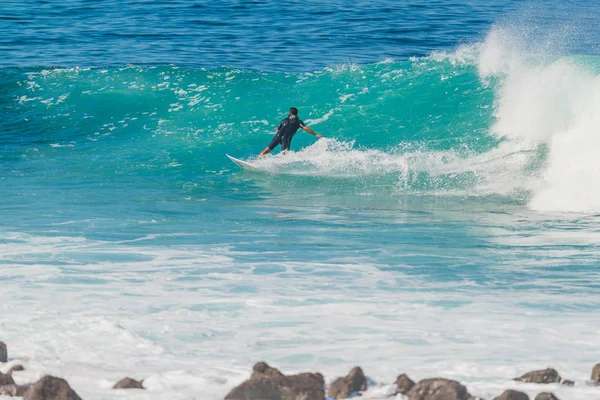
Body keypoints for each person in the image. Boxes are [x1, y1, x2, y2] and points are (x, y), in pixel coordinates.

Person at [258, 107, 323, 158]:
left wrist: (278, 139)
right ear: (297, 114)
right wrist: (315, 134)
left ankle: (258, 160)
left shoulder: (283, 120)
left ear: (289, 113)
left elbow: (276, 131)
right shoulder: (298, 121)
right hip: (286, 138)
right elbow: (305, 128)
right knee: (284, 155)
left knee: (266, 150)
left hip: (278, 136)